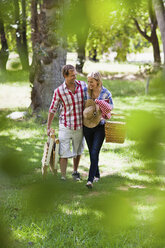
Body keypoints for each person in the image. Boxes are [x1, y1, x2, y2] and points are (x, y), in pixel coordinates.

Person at [47, 64, 87, 180]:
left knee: (78, 150)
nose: (75, 77)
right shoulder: (59, 91)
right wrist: (48, 127)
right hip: (65, 125)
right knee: (63, 152)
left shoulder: (83, 86)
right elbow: (52, 109)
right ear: (65, 76)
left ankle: (75, 172)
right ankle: (63, 177)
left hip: (79, 125)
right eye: (72, 76)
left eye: (75, 75)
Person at [83, 72, 113, 188]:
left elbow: (111, 107)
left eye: (91, 81)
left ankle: (90, 180)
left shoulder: (105, 93)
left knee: (95, 151)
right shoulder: (86, 91)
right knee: (92, 152)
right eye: (88, 81)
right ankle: (97, 174)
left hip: (100, 126)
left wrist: (101, 106)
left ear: (98, 82)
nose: (89, 84)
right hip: (87, 125)